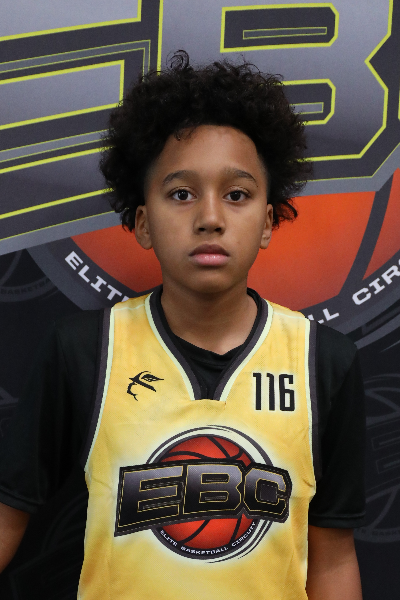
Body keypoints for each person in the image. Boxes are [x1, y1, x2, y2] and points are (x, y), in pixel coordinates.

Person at [0, 51, 365, 599]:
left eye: (237, 195)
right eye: (181, 194)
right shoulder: (86, 349)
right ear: (143, 222)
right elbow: (8, 518)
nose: (210, 217)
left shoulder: (324, 361)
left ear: (268, 221)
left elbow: (332, 559)